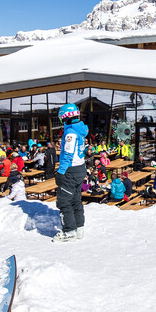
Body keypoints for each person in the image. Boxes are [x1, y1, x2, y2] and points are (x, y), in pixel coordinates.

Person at [54, 103, 88, 242]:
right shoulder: (79, 129)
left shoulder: (70, 133)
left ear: (65, 118)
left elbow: (68, 154)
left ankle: (69, 232)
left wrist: (60, 172)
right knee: (75, 199)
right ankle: (79, 228)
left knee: (63, 201)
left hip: (71, 170)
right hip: (80, 167)